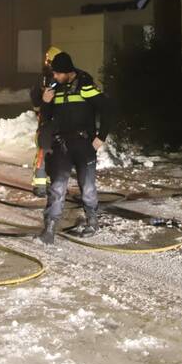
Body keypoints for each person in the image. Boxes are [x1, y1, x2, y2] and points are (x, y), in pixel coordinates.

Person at [36, 51, 112, 244]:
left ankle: (92, 221)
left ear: (68, 72)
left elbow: (108, 109)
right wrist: (45, 103)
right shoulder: (56, 89)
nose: (54, 77)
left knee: (87, 186)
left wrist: (100, 137)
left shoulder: (86, 87)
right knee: (57, 187)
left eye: (57, 73)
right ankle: (50, 227)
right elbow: (46, 118)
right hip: (62, 145)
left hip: (84, 144)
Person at [29, 46, 63, 197]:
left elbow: (35, 97)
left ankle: (41, 186)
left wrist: (39, 110)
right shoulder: (66, 78)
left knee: (43, 151)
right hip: (61, 122)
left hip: (47, 123)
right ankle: (54, 185)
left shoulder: (43, 79)